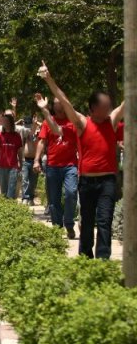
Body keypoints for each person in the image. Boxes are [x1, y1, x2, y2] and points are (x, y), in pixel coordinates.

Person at [38, 61, 124, 259]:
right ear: (93, 108)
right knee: (87, 221)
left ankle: (102, 259)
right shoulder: (81, 123)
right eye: (104, 106)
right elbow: (63, 99)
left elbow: (125, 103)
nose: (109, 109)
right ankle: (86, 258)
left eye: (109, 106)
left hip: (107, 182)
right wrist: (48, 78)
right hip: (86, 181)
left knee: (104, 220)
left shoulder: (111, 122)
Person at [34, 93, 79, 239]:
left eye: (60, 102)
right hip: (53, 166)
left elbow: (80, 143)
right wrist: (36, 160)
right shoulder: (48, 122)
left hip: (70, 165)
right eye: (55, 103)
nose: (58, 105)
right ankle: (57, 227)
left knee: (71, 193)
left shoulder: (73, 121)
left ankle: (69, 223)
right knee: (53, 200)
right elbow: (41, 141)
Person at [0, 114, 23, 199]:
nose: (4, 123)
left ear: (11, 123)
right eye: (3, 121)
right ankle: (6, 208)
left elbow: (19, 151)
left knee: (11, 189)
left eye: (6, 121)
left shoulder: (16, 136)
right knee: (3, 191)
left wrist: (21, 163)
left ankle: (11, 207)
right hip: (1, 166)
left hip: (13, 166)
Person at [19, 116, 40, 205]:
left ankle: (31, 197)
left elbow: (33, 133)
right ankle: (25, 197)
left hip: (35, 160)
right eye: (26, 124)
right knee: (25, 180)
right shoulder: (23, 133)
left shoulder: (38, 133)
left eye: (29, 124)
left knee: (33, 181)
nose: (27, 127)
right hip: (25, 160)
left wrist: (36, 124)